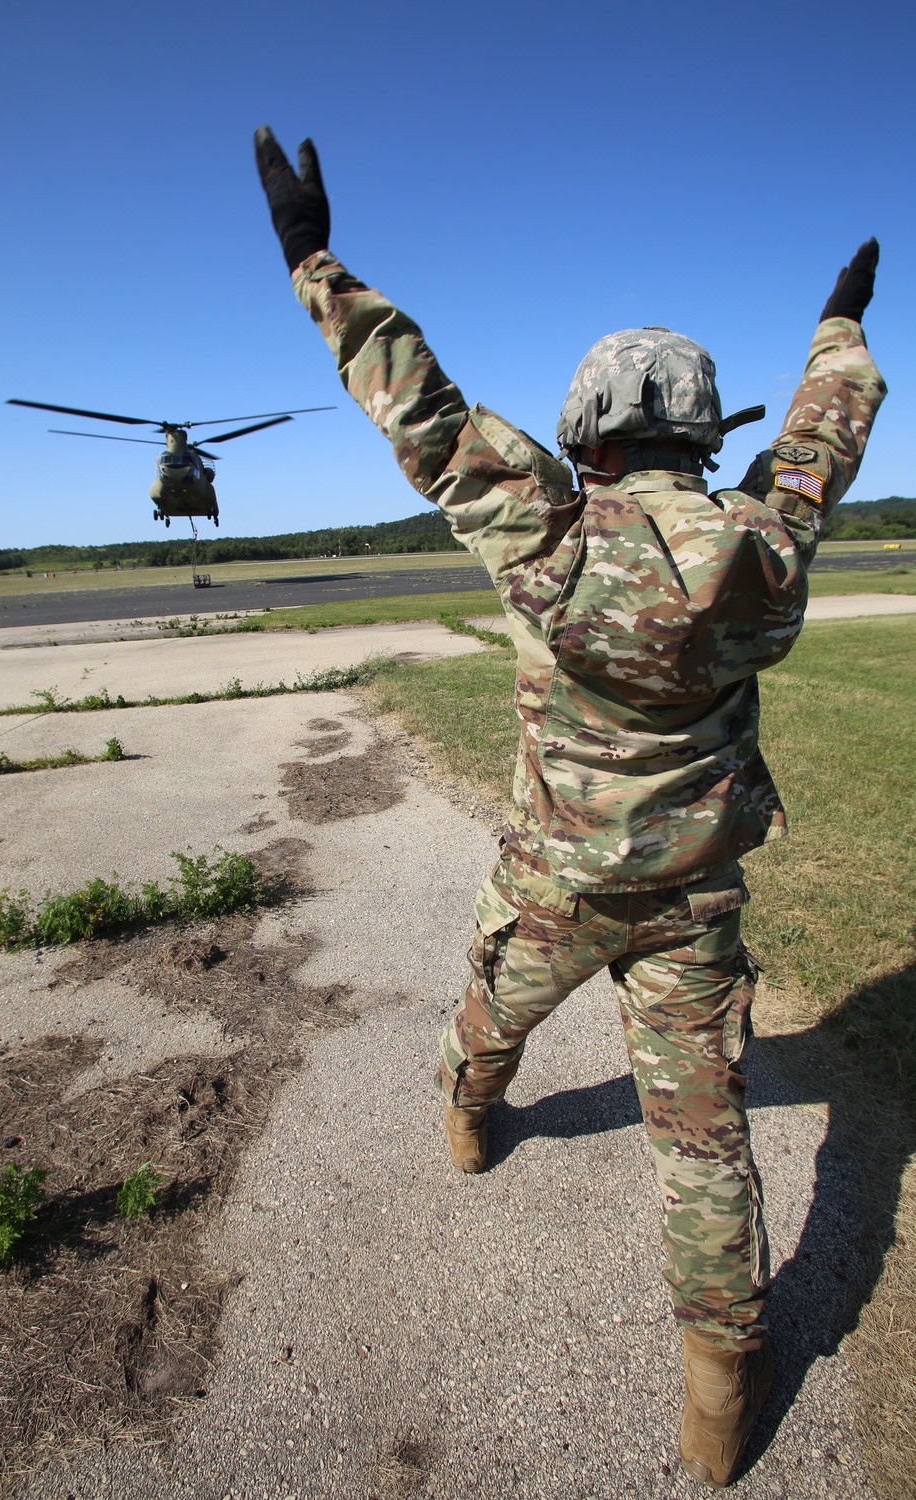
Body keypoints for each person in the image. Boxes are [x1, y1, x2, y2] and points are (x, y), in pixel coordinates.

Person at [253, 126, 886, 1488]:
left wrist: (316, 262)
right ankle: (720, 1393)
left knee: (486, 1019)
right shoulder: (767, 545)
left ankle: (473, 1117)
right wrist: (838, 328)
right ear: (700, 435)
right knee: (704, 1146)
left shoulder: (541, 527)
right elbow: (820, 442)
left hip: (551, 883)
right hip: (694, 905)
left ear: (591, 433)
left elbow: (421, 411)